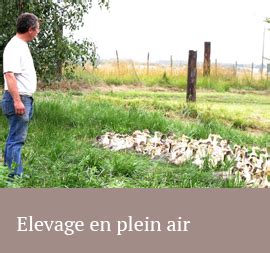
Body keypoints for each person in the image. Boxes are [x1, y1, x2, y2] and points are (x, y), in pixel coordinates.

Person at [1, 13, 40, 178]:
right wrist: (17, 101)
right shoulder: (15, 46)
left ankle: (6, 173)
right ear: (30, 29)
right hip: (18, 99)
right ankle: (14, 178)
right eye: (37, 28)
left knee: (14, 138)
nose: (38, 32)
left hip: (23, 98)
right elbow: (9, 75)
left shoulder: (21, 45)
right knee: (16, 141)